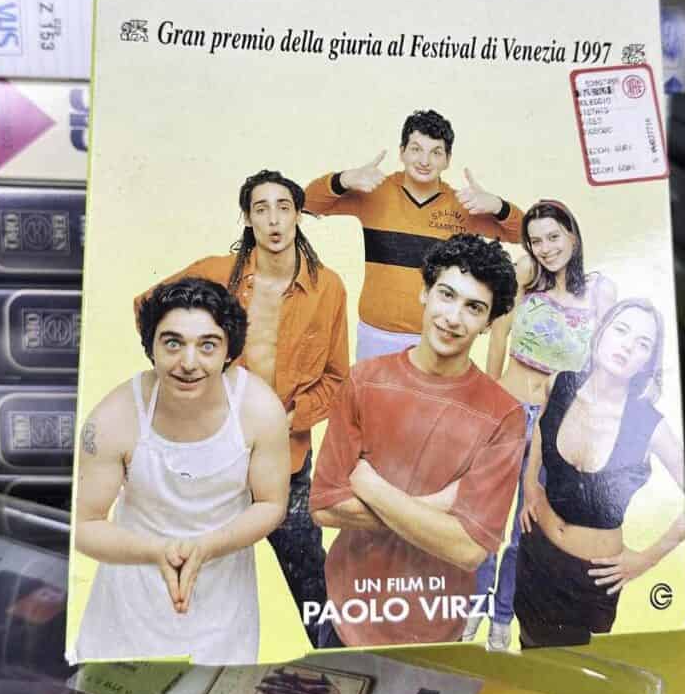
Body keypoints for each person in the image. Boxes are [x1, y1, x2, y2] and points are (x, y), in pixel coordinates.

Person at [133, 169, 348, 644]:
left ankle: (343, 663)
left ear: (298, 215)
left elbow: (336, 379)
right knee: (196, 574)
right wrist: (186, 383)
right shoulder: (216, 274)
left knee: (313, 583)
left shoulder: (327, 287)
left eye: (283, 208)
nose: (273, 220)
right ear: (247, 219)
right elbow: (148, 308)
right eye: (260, 209)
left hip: (285, 462)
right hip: (213, 459)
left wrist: (290, 419)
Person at [309, 234, 526, 648]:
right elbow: (324, 506)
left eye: (474, 308)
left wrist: (370, 486)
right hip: (348, 614)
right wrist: (438, 507)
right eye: (447, 295)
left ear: (488, 324)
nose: (453, 318)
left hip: (435, 628)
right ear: (424, 292)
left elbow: (469, 549)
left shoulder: (503, 415)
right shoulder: (364, 380)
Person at [74, 278, 290, 665]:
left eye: (207, 345)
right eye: (173, 343)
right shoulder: (113, 418)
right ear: (151, 347)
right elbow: (86, 526)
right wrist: (156, 552)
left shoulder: (259, 409)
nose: (188, 363)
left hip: (224, 603)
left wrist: (208, 546)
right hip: (128, 604)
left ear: (228, 350)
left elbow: (272, 503)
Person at [467, 200, 616, 650]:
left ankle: (503, 616)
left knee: (525, 530)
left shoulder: (600, 290)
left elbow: (603, 365)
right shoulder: (525, 277)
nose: (547, 248)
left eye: (554, 236)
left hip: (555, 426)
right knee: (485, 520)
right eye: (536, 240)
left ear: (573, 235)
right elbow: (497, 340)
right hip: (510, 410)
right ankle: (474, 607)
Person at [513, 298, 685, 648]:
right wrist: (531, 484)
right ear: (601, 332)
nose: (628, 346)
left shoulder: (649, 425)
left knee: (570, 666)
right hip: (537, 552)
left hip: (591, 580)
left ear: (647, 362)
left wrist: (647, 559)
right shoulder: (559, 384)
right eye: (621, 330)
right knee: (527, 650)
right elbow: (543, 427)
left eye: (643, 344)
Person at [304, 109, 524, 360]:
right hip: (376, 335)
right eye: (416, 149)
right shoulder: (374, 191)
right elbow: (307, 203)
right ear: (402, 152)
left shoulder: (463, 204)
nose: (424, 161)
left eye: (436, 152)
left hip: (437, 336)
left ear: (448, 160)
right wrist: (343, 180)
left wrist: (498, 206)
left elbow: (524, 234)